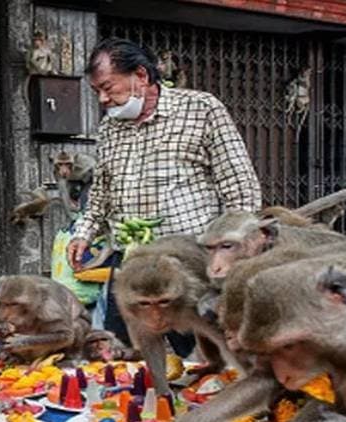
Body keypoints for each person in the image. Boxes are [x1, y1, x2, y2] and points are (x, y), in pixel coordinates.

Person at [65, 38, 261, 344]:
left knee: (199, 352)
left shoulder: (201, 109)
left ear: (141, 76)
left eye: (108, 87)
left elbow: (241, 191)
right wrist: (84, 233)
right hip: (130, 264)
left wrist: (234, 256)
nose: (102, 99)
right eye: (96, 92)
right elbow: (101, 192)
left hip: (189, 263)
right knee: (125, 354)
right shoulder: (109, 129)